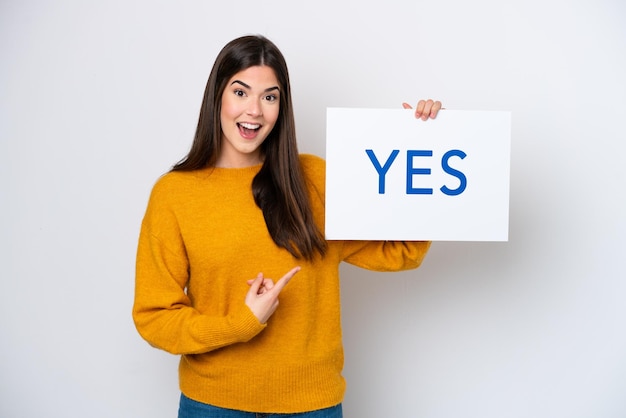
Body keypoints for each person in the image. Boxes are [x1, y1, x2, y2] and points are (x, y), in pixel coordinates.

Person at [132, 34, 442, 418]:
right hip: (212, 405)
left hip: (312, 405)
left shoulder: (313, 180)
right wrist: (240, 324)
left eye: (270, 96)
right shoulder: (175, 194)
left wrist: (423, 145)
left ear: (282, 106)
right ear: (217, 97)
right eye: (241, 92)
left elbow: (402, 252)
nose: (255, 111)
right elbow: (154, 316)